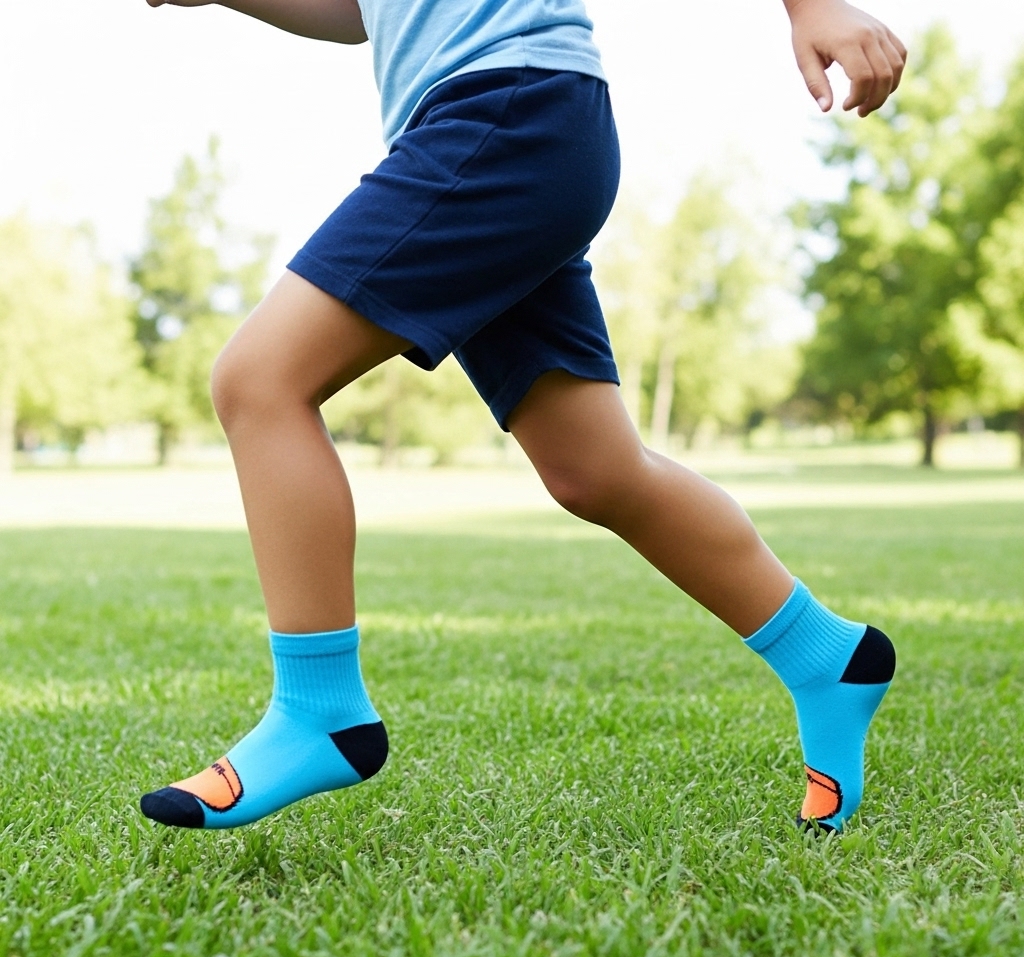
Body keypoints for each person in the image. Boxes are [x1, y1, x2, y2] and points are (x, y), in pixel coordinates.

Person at [139, 0, 906, 833]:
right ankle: (827, 656)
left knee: (259, 383)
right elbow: (365, 12)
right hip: (510, 124)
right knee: (596, 472)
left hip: (508, 108)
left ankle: (320, 710)